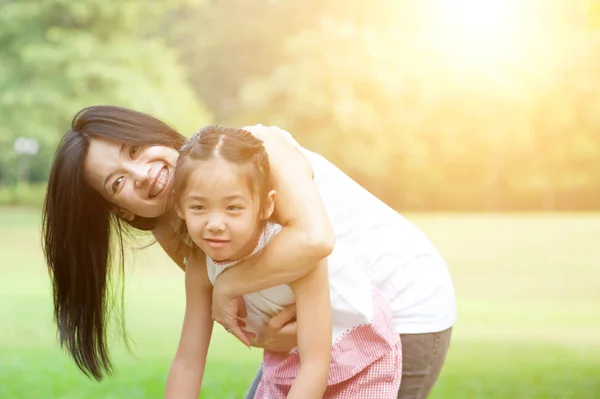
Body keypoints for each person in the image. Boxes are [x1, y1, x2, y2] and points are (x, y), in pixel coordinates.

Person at [42, 105, 456, 398]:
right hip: (314, 339)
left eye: (133, 150)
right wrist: (263, 333)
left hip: (398, 312)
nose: (142, 173)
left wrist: (229, 287)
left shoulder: (254, 149)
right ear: (121, 210)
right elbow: (241, 325)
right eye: (117, 183)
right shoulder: (190, 233)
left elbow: (314, 241)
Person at [164, 126, 402, 398]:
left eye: (233, 208)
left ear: (266, 206)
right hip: (288, 363)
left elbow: (316, 363)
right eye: (199, 207)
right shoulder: (199, 264)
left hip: (360, 358)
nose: (215, 224)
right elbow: (188, 363)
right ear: (180, 207)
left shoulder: (298, 255)